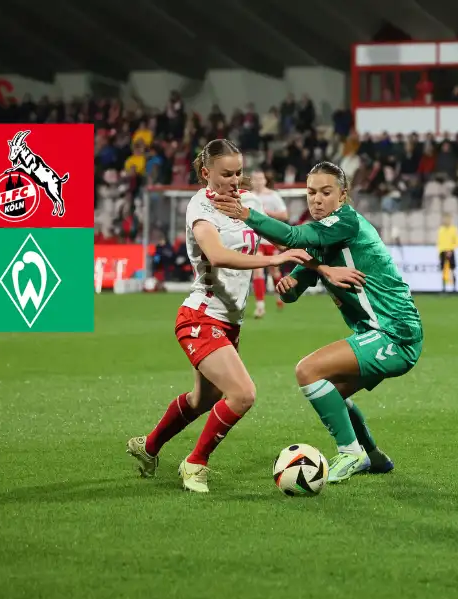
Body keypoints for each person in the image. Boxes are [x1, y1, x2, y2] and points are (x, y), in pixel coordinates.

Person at [210, 162, 424, 484]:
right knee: (331, 393)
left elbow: (292, 235)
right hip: (378, 332)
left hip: (395, 333)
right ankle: (372, 456)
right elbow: (296, 287)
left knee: (307, 371)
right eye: (311, 192)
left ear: (342, 196)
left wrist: (247, 215)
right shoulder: (320, 240)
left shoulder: (346, 222)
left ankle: (350, 453)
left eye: (326, 192)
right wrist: (288, 287)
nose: (317, 200)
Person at [125, 139, 314, 494]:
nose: (234, 179)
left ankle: (148, 448)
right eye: (226, 173)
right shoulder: (200, 208)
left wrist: (318, 267)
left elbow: (276, 236)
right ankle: (195, 463)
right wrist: (272, 261)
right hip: (200, 317)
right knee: (242, 394)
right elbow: (217, 254)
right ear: (205, 172)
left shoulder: (248, 203)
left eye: (238, 172)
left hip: (229, 321)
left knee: (203, 400)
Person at [248, 170, 291, 319]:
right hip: (256, 239)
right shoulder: (249, 197)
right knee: (258, 270)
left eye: (261, 178)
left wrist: (266, 213)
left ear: (265, 180)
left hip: (272, 239)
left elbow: (285, 215)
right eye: (255, 178)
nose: (258, 181)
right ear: (251, 181)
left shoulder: (273, 196)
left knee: (275, 271)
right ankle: (260, 306)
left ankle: (279, 297)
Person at [437, 213, 458, 293]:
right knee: (444, 270)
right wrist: (441, 251)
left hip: (450, 251)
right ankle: (444, 289)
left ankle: (454, 289)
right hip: (443, 251)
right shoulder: (441, 229)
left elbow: (457, 241)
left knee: (452, 270)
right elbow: (439, 242)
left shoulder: (453, 229)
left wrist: (450, 249)